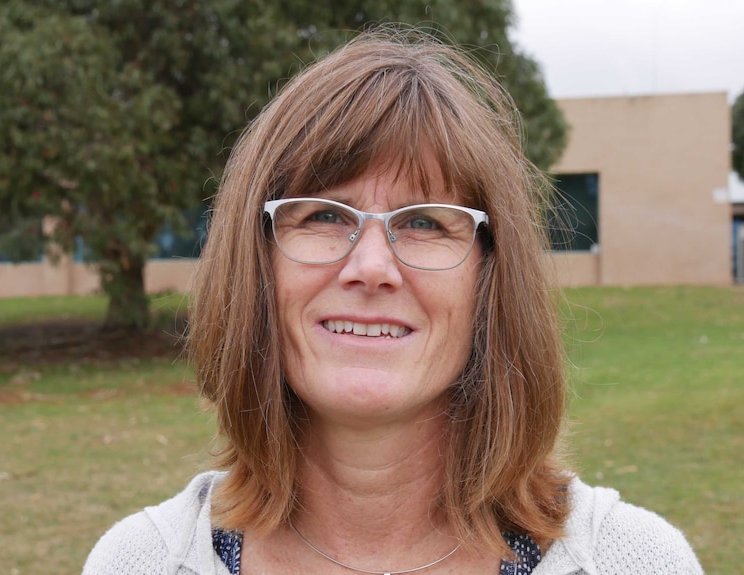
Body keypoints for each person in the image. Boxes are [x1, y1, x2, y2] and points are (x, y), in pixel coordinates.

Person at [83, 27, 703, 575]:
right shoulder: (141, 563)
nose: (372, 267)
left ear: (491, 277)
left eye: (427, 223)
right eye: (325, 215)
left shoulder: (634, 561)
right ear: (256, 265)